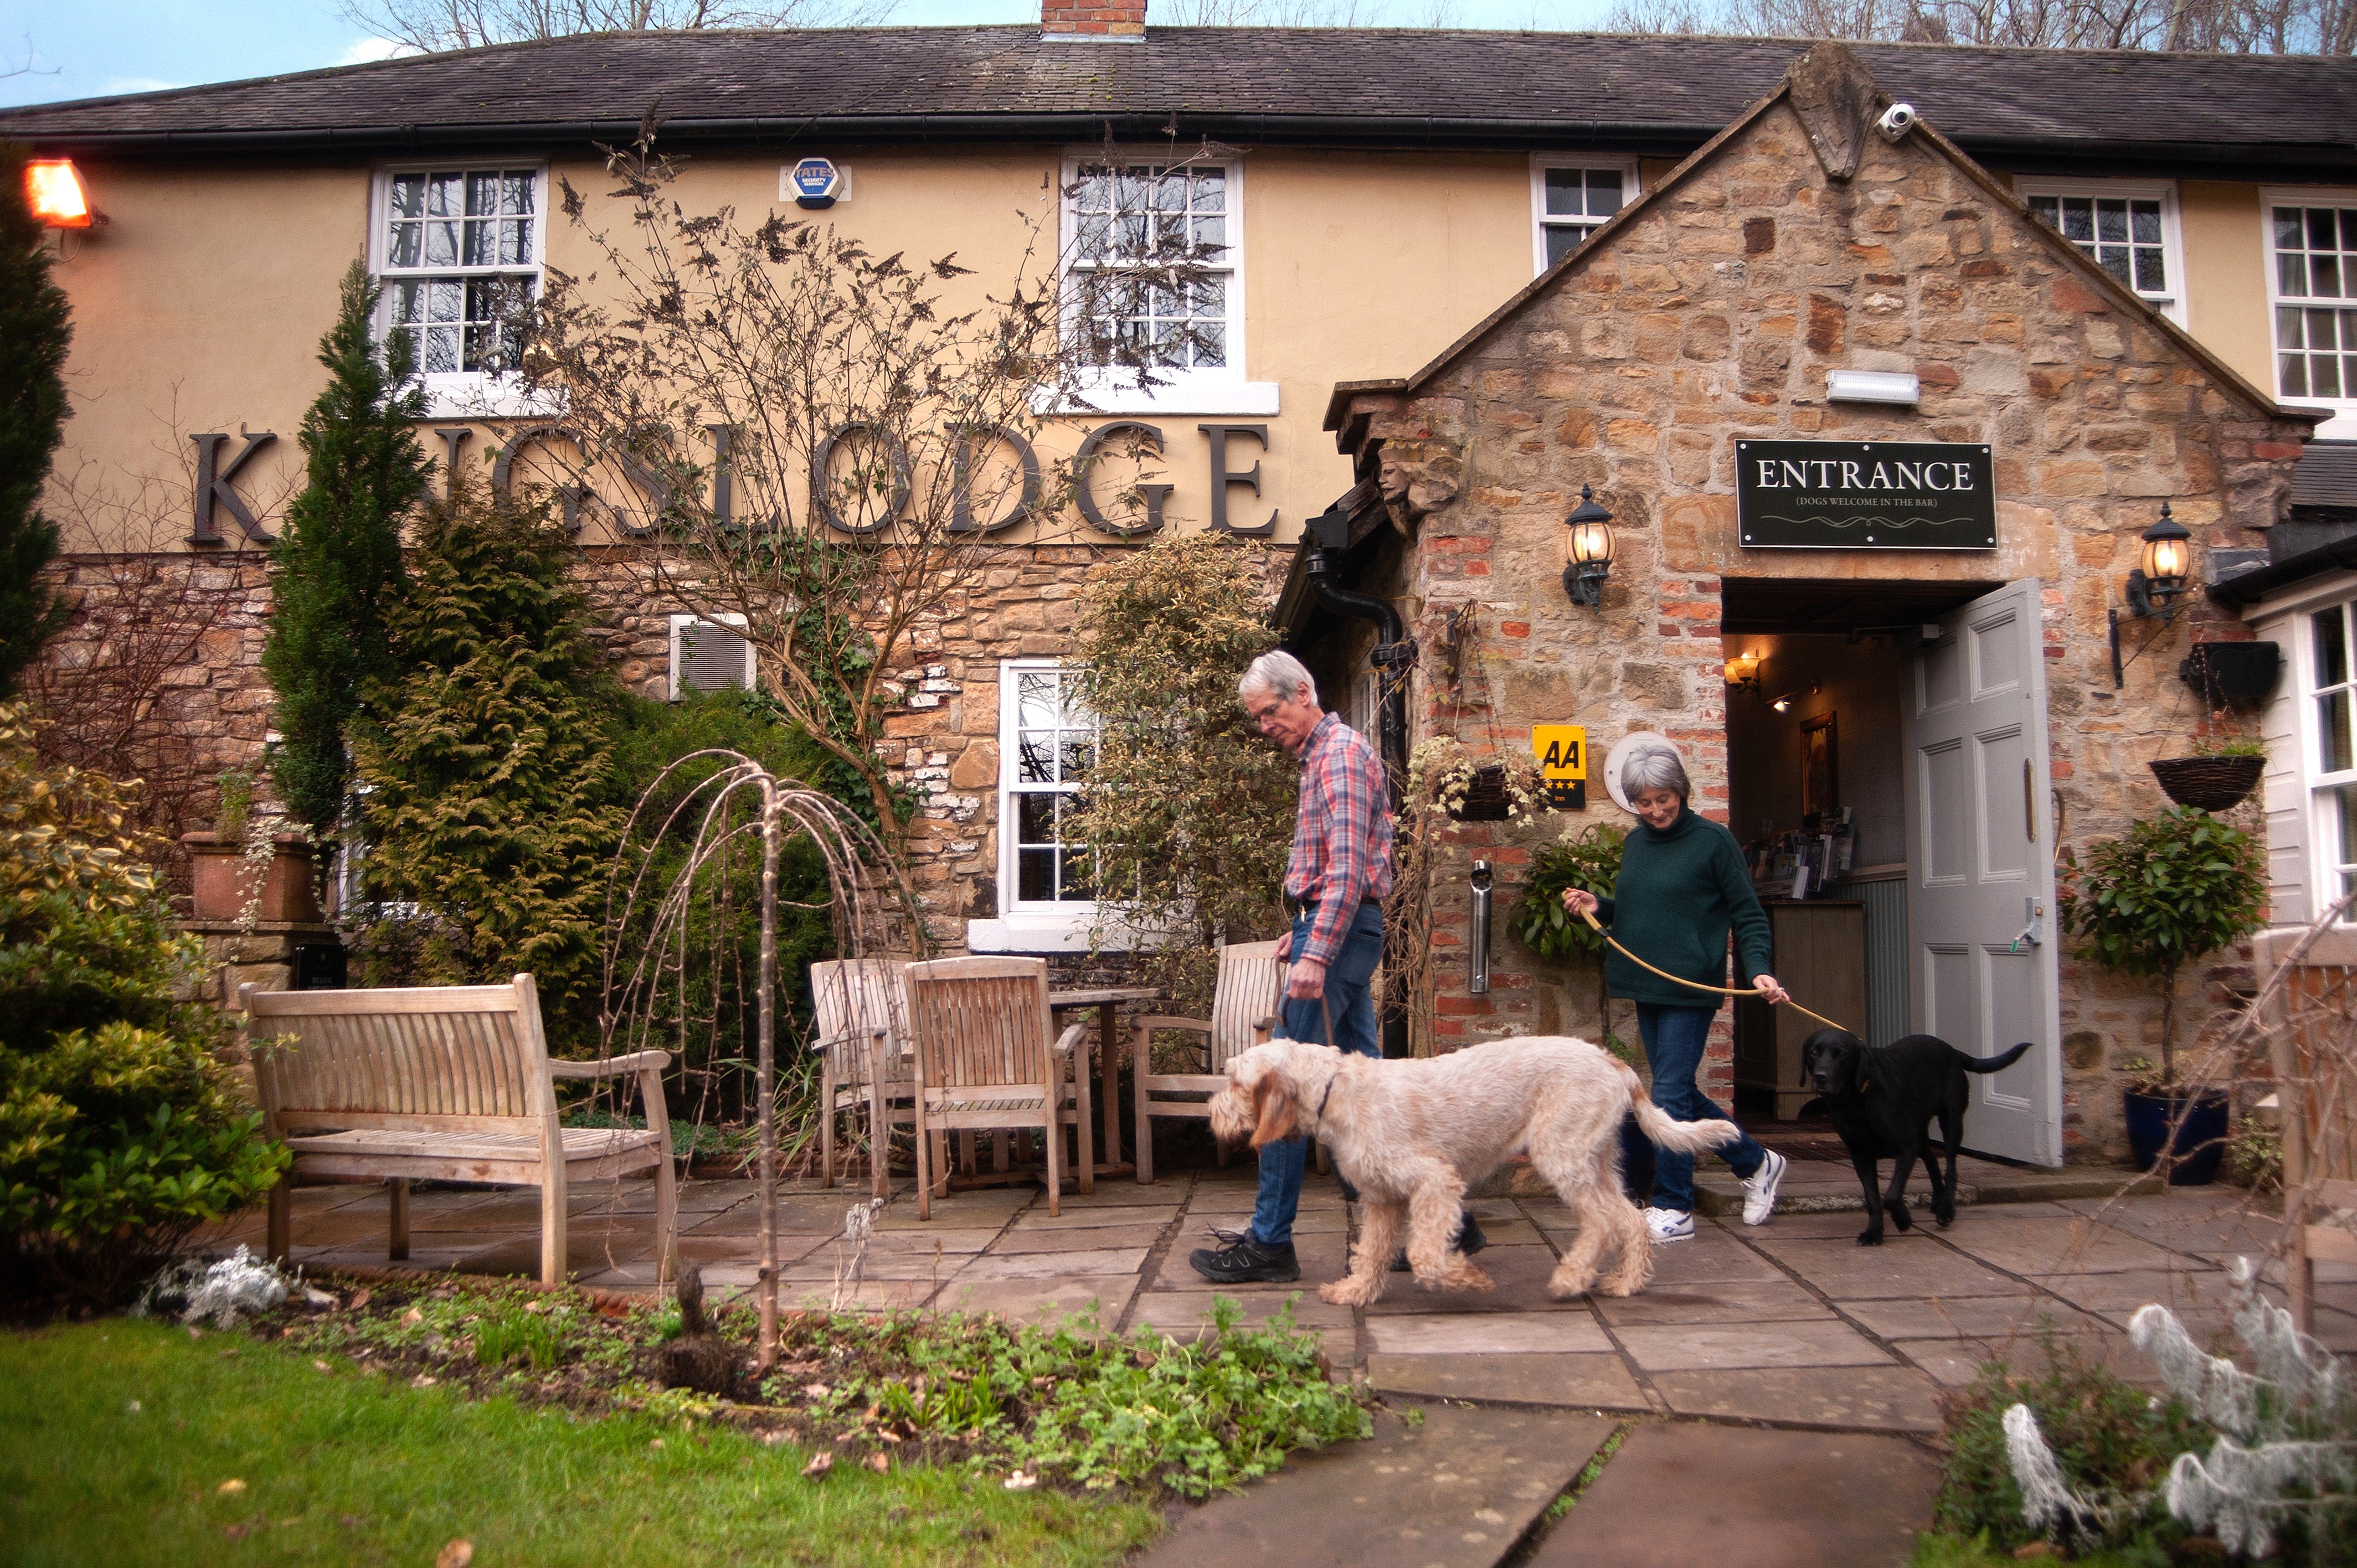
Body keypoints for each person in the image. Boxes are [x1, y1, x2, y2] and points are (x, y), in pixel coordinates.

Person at [1189, 650, 1485, 1283]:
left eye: (1269, 712)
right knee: (1371, 1089)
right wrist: (1296, 929)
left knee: (1279, 1088)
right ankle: (1450, 1224)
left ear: (1302, 692)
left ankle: (1270, 1242)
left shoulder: (1340, 755)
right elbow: (1334, 867)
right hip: (1334, 926)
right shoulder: (1322, 757)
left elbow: (1349, 872)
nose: (1264, 725)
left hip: (1341, 933)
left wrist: (1316, 949)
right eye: (1257, 718)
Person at [1559, 743, 1790, 1242]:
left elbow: (1747, 914)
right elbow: (1643, 908)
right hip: (1648, 985)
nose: (1656, 810)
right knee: (1675, 1091)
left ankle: (1673, 1206)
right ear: (1633, 804)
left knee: (1665, 1095)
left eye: (1664, 798)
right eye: (1645, 802)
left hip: (1691, 986)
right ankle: (1757, 1162)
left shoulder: (1713, 841)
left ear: (1681, 792)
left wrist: (1759, 971)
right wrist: (1599, 903)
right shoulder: (1636, 844)